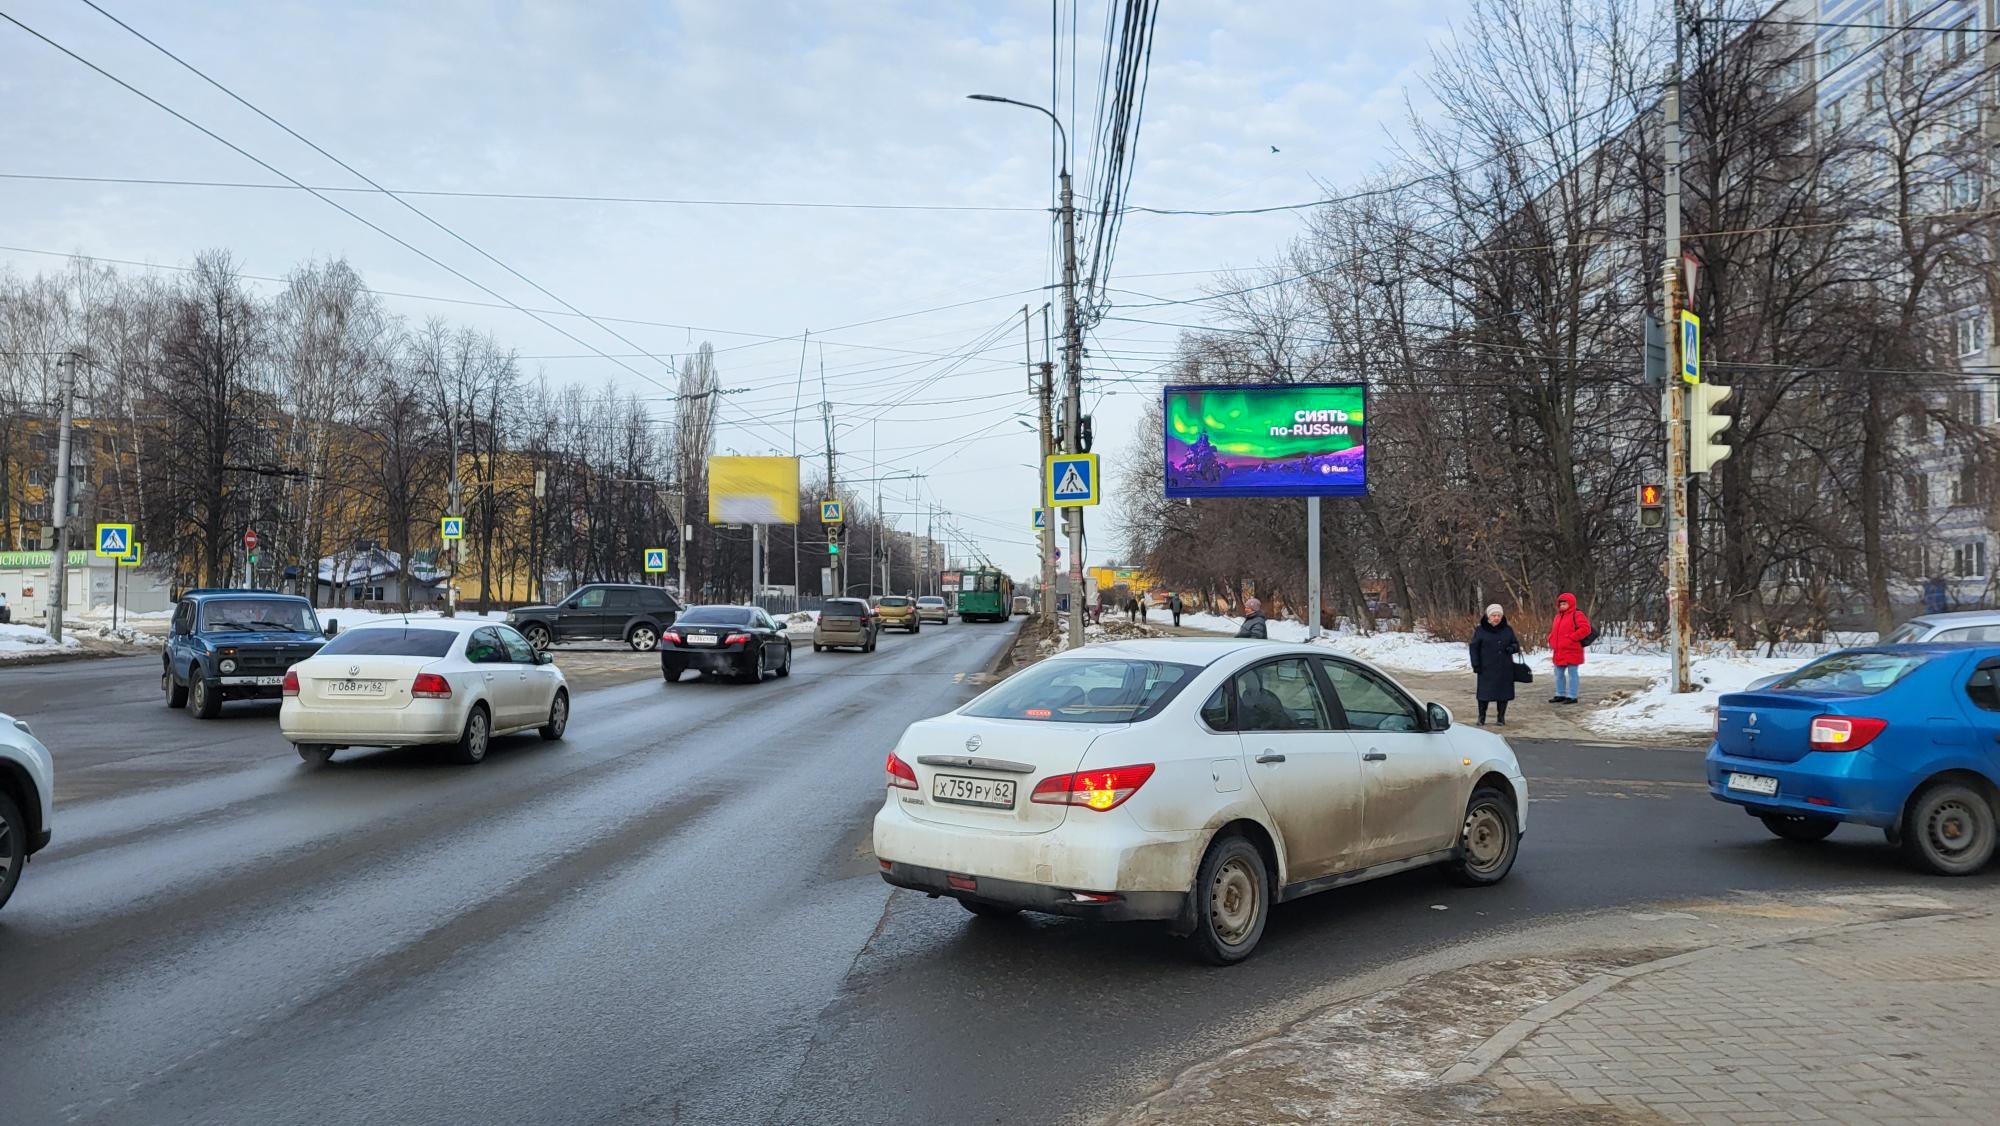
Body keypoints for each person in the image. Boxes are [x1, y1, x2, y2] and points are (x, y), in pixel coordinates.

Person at [1468, 603, 1520, 726]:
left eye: (1498, 615)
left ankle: (1501, 717)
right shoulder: (1480, 630)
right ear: (1488, 617)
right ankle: (1482, 717)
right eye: (1493, 615)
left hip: (1504, 668)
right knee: (1483, 694)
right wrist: (1476, 664)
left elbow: (1516, 644)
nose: (1496, 618)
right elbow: (1474, 648)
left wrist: (1512, 648)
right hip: (1486, 668)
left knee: (1503, 694)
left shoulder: (1507, 629)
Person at [1547, 591, 1591, 704]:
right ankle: (1560, 694)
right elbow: (1554, 631)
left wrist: (1572, 638)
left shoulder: (1577, 614)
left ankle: (1572, 696)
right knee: (1558, 674)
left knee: (1572, 674)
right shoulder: (1557, 616)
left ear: (1571, 603)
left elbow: (1585, 629)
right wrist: (1551, 639)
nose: (1562, 606)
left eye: (1564, 604)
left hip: (1572, 649)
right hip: (1559, 650)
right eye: (1561, 604)